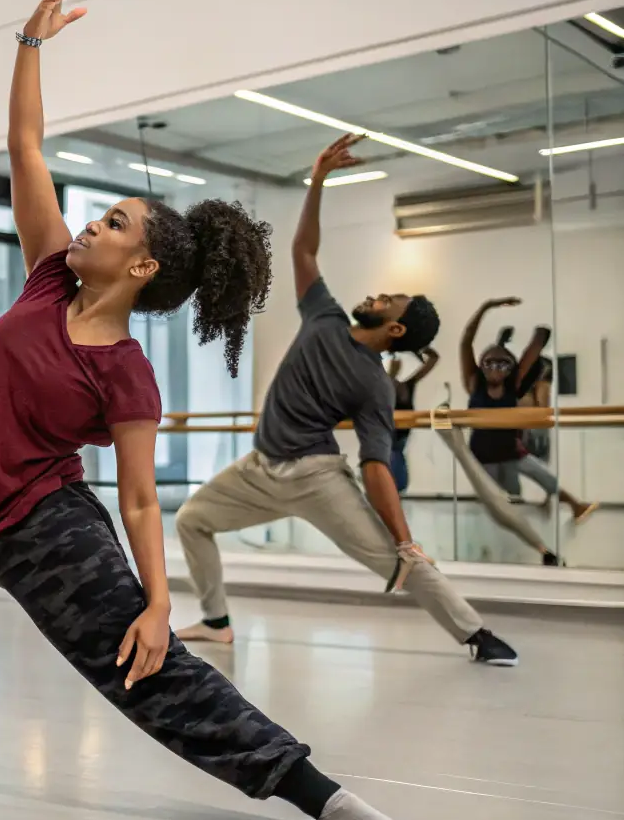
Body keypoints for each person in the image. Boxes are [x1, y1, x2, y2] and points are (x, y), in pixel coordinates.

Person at [0, 0, 425, 820]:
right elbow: (24, 146)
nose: (91, 227)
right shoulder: (48, 275)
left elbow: (137, 500)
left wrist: (160, 602)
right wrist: (29, 45)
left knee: (146, 675)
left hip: (45, 528)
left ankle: (319, 796)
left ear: (139, 269)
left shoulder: (127, 375)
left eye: (114, 224)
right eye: (98, 217)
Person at [174, 133, 518, 668]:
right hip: (259, 468)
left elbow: (376, 464)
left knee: (395, 561)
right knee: (192, 519)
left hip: (316, 478)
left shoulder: (375, 384)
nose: (376, 296)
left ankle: (477, 635)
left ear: (395, 326)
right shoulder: (326, 315)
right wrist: (318, 178)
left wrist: (403, 537)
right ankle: (216, 622)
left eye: (387, 301)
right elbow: (303, 249)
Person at [458, 302, 596, 533]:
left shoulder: (514, 385)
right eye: (489, 362)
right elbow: (465, 342)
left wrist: (540, 336)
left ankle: (575, 505)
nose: (495, 367)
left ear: (511, 368)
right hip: (485, 455)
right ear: (481, 365)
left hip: (511, 450)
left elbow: (530, 355)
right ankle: (495, 539)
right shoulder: (474, 384)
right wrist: (485, 308)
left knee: (536, 480)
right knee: (499, 500)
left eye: (502, 363)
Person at [386, 348, 439, 493]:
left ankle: (394, 493)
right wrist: (392, 373)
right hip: (388, 436)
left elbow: (433, 359)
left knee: (396, 463)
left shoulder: (408, 384)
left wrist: (419, 346)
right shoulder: (383, 386)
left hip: (400, 436)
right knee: (392, 463)